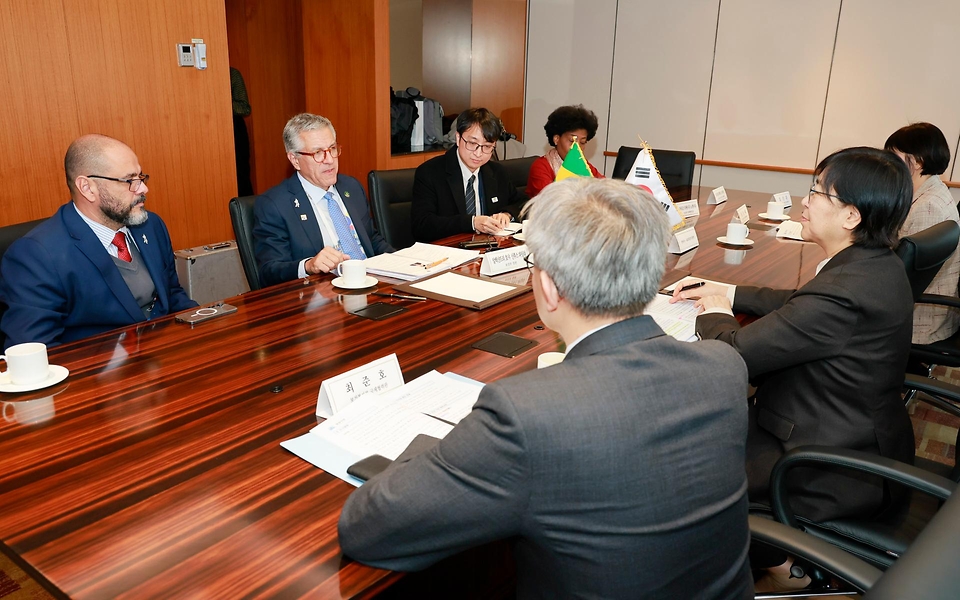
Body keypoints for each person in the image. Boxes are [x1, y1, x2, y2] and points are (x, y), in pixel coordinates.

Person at [340, 178, 753, 599]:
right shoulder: (723, 366)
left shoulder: (528, 414)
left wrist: (439, 452)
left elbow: (366, 530)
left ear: (549, 287)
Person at [673, 146, 914, 532]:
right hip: (847, 428)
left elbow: (734, 355)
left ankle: (766, 563)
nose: (806, 200)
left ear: (851, 215)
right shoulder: (874, 264)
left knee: (676, 468)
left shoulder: (845, 291)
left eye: (818, 192)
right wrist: (728, 290)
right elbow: (799, 304)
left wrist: (716, 311)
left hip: (818, 465)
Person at [0, 135, 197, 349]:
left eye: (141, 177)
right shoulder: (36, 255)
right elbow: (34, 353)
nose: (142, 189)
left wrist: (202, 329)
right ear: (87, 188)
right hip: (95, 376)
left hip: (164, 360)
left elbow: (172, 294)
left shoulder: (151, 225)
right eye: (129, 181)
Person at [253, 113, 393, 287]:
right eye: (318, 153)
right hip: (322, 296)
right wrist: (309, 265)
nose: (329, 160)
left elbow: (371, 240)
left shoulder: (351, 187)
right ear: (295, 160)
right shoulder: (274, 205)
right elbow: (269, 271)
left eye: (332, 149)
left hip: (371, 285)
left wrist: (404, 262)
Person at [885, 122, 960, 344]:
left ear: (917, 161)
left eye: (894, 156)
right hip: (917, 304)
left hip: (921, 319)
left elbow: (901, 277)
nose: (888, 163)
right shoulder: (929, 190)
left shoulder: (929, 208)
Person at [410, 108, 527, 242]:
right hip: (447, 251)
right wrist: (471, 223)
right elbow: (422, 225)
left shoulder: (497, 172)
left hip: (488, 249)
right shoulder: (430, 172)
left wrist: (507, 214)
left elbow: (523, 203)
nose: (478, 153)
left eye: (487, 146)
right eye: (472, 143)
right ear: (458, 138)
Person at [527, 104, 604, 197]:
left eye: (583, 142)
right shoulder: (541, 166)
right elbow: (551, 200)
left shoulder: (582, 164)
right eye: (572, 141)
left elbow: (604, 187)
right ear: (556, 139)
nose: (577, 147)